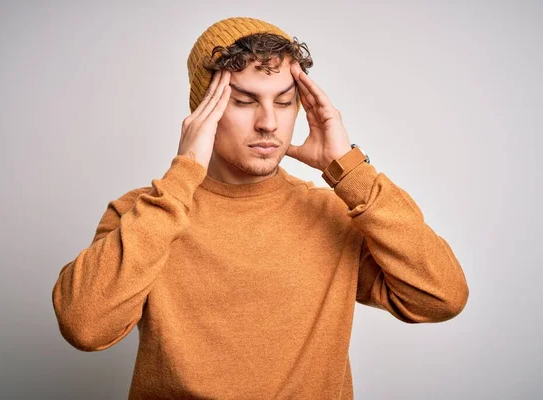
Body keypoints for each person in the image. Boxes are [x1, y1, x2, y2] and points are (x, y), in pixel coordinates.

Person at [52, 16, 470, 399]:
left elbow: (442, 297)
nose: (269, 122)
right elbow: (86, 327)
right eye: (245, 101)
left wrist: (351, 171)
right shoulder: (147, 214)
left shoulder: (331, 214)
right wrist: (183, 176)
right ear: (203, 113)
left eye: (284, 102)